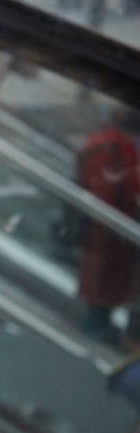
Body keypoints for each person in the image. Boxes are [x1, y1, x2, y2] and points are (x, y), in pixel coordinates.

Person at [76, 107, 140, 342]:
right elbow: (111, 188)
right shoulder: (114, 147)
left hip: (109, 232)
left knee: (107, 283)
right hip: (110, 231)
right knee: (105, 284)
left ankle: (98, 323)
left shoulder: (109, 142)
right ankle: (95, 327)